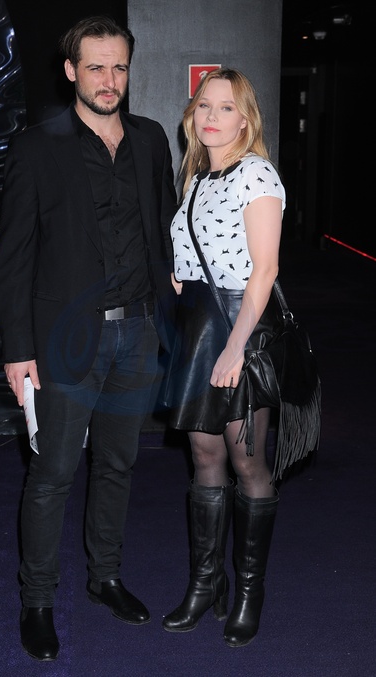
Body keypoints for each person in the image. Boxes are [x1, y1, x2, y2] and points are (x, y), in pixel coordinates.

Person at [0, 15, 176, 662]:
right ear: (71, 70)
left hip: (138, 332)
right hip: (64, 340)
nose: (109, 80)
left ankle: (105, 577)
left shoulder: (151, 139)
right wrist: (18, 348)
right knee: (53, 472)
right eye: (96, 67)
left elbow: (164, 225)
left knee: (119, 464)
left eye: (119, 67)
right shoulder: (36, 147)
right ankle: (38, 599)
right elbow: (14, 256)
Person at [161, 68, 286, 647]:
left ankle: (249, 591)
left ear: (245, 119)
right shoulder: (194, 177)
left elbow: (265, 270)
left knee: (246, 462)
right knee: (203, 456)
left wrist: (236, 347)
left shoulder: (256, 173)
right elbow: (194, 252)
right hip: (198, 329)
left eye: (226, 107)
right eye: (204, 105)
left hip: (242, 329)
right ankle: (205, 584)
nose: (212, 116)